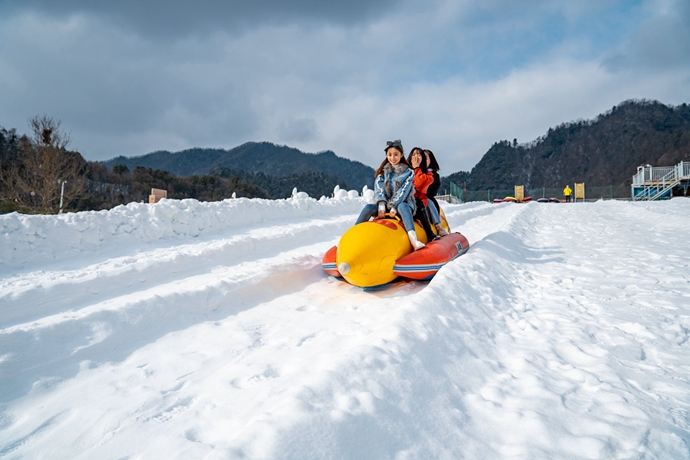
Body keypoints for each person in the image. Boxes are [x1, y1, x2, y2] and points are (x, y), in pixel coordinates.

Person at [355, 140, 424, 250]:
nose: (393, 158)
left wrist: (394, 206)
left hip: (402, 205)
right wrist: (382, 205)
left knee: (402, 205)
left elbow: (403, 191)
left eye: (396, 154)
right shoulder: (383, 172)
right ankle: (354, 235)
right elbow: (378, 189)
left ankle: (413, 239)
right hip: (385, 206)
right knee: (369, 207)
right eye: (390, 155)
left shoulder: (409, 173)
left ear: (401, 155)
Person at [408, 148, 448, 240]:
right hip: (411, 200)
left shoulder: (431, 175)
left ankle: (438, 225)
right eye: (414, 155)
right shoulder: (409, 171)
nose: (417, 158)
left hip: (424, 200)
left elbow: (424, 188)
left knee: (428, 201)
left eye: (424, 157)